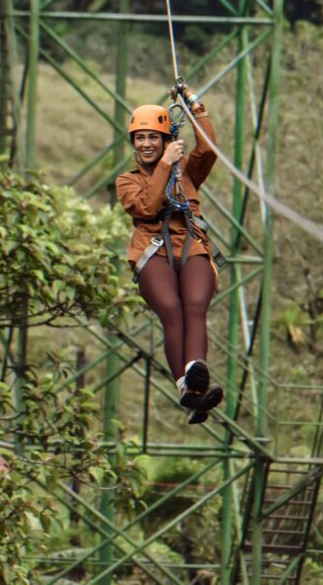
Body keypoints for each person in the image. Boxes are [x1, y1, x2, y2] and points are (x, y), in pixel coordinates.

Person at [115, 83, 224, 425]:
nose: (146, 144)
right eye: (139, 138)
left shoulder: (187, 171)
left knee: (194, 307)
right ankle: (187, 385)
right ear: (133, 143)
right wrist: (164, 164)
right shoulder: (126, 181)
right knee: (172, 311)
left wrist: (193, 104)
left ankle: (194, 379)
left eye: (153, 137)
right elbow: (147, 207)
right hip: (153, 251)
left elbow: (207, 149)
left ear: (165, 139)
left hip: (191, 244)